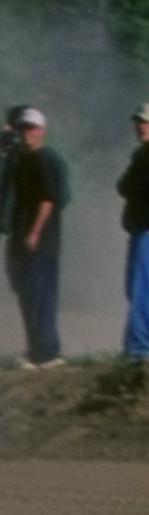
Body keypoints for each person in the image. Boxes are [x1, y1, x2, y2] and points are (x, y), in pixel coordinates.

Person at [3, 107, 71, 368]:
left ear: (42, 131)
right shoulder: (21, 160)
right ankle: (35, 351)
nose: (26, 133)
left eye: (31, 128)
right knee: (28, 295)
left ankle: (47, 353)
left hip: (40, 241)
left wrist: (34, 232)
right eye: (22, 128)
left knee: (41, 296)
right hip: (22, 238)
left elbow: (48, 199)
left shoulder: (44, 159)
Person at [120, 105, 149, 362]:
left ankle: (139, 348)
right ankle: (135, 345)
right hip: (138, 228)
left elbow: (125, 186)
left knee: (140, 288)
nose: (141, 126)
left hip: (146, 230)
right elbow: (123, 186)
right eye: (139, 122)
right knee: (135, 287)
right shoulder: (140, 155)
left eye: (146, 122)